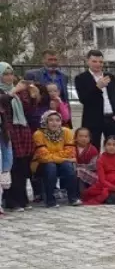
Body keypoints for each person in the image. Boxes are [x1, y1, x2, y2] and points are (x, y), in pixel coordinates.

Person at [0, 62, 35, 211]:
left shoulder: (18, 91)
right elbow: (3, 102)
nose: (9, 77)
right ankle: (11, 200)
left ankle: (22, 198)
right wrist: (14, 91)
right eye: (5, 74)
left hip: (22, 129)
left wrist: (33, 96)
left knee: (22, 165)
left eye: (11, 74)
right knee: (11, 165)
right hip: (8, 130)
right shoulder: (6, 91)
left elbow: (27, 109)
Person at [74, 50, 115, 149]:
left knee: (113, 148)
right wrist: (97, 88)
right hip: (93, 119)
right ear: (88, 61)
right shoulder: (81, 78)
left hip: (112, 118)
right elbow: (84, 99)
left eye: (100, 62)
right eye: (94, 61)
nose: (98, 64)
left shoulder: (110, 77)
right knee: (93, 148)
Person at [32, 111, 79, 207]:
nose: (54, 123)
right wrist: (63, 158)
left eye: (57, 120)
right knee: (51, 167)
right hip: (41, 164)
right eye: (51, 120)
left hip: (60, 163)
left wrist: (54, 155)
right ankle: (50, 200)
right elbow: (44, 157)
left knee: (68, 167)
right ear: (45, 121)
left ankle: (73, 198)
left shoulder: (67, 132)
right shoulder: (38, 134)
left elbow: (70, 153)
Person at [73, 128, 99, 192]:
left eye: (86, 136)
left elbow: (93, 166)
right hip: (73, 171)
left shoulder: (93, 149)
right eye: (81, 136)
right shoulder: (72, 147)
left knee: (79, 171)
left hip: (90, 173)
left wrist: (78, 167)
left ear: (89, 138)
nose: (83, 138)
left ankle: (82, 193)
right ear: (75, 138)